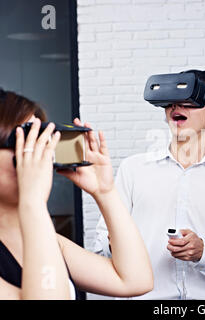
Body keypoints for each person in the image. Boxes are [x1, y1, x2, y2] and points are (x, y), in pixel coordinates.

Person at [95, 70, 205, 299]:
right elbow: (101, 246)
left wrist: (204, 252)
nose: (176, 107)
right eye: (171, 101)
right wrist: (115, 243)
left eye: (191, 101)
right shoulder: (133, 170)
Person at [0, 89, 153, 299]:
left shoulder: (48, 241)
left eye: (41, 139)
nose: (39, 153)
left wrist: (104, 192)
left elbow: (135, 280)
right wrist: (34, 203)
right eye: (25, 139)